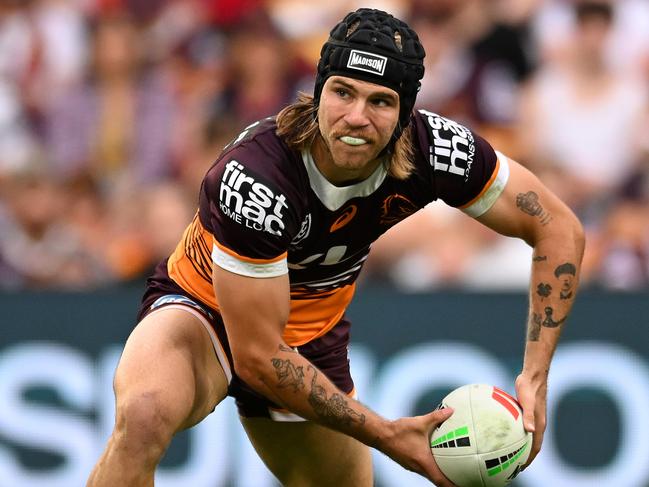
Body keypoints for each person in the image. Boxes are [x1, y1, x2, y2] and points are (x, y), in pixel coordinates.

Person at [87, 8, 585, 487]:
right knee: (143, 415)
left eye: (380, 101)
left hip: (310, 334)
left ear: (406, 111)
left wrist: (536, 376)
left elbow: (559, 229)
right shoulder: (256, 178)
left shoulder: (438, 150)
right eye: (342, 92)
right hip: (202, 309)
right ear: (317, 90)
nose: (356, 117)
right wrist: (388, 435)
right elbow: (258, 356)